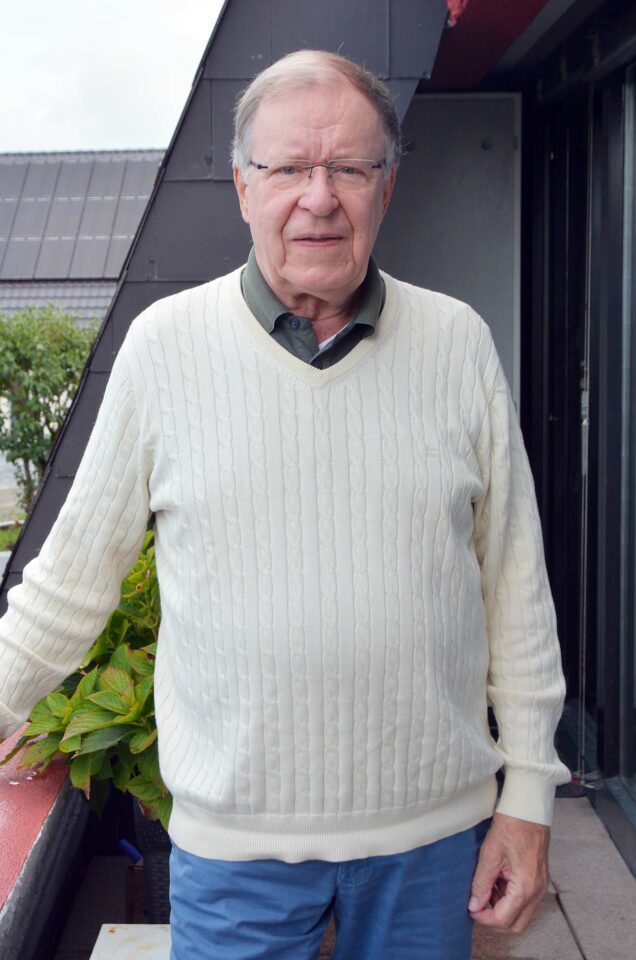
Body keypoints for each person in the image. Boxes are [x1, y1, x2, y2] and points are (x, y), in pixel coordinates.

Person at [0, 50, 569, 960]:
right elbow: (68, 588)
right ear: (242, 186)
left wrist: (530, 795)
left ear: (387, 186)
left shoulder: (458, 343)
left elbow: (514, 587)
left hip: (430, 845)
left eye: (349, 168)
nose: (319, 197)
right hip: (236, 854)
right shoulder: (163, 350)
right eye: (289, 167)